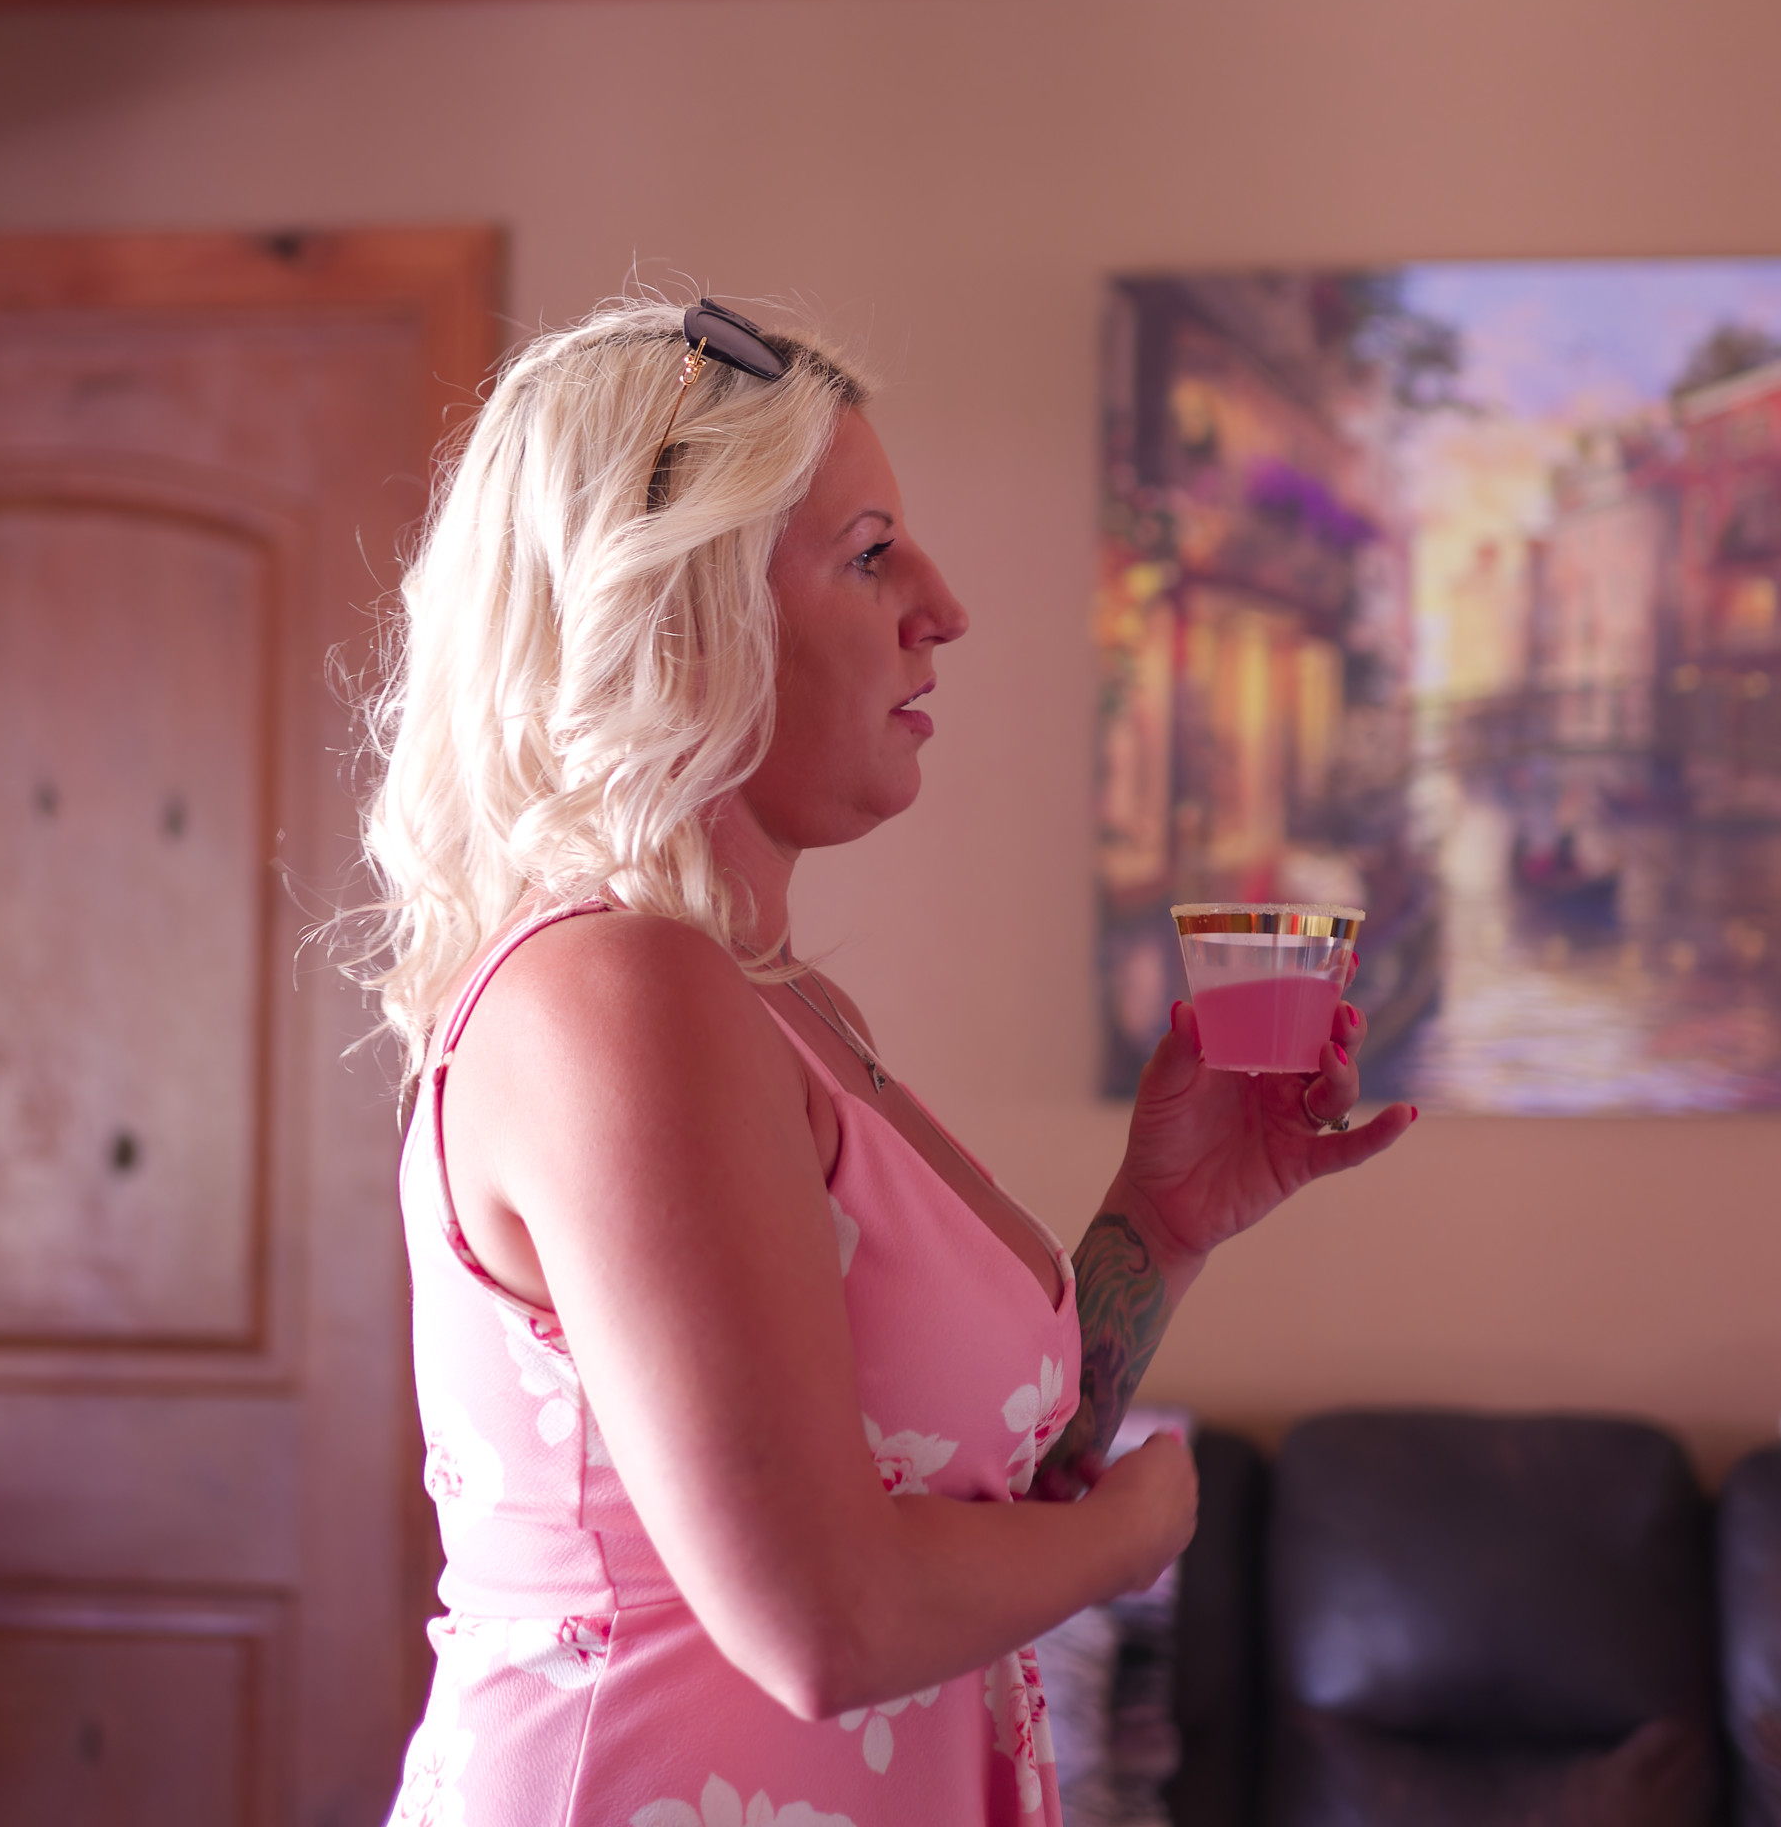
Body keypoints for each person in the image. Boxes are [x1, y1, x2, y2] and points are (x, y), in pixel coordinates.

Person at [356, 295, 1418, 1826]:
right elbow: (827, 1620)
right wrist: (1134, 1539)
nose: (944, 608)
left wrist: (1163, 1218)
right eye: (869, 556)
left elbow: (965, 1499)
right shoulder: (618, 994)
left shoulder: (772, 1006)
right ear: (676, 610)